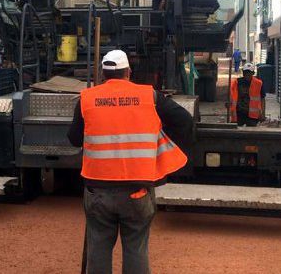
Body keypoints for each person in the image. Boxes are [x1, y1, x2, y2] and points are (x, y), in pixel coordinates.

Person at [68, 50, 193, 274]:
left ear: (103, 73)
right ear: (128, 72)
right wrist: (164, 152)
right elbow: (184, 120)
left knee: (98, 248)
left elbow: (74, 138)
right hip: (138, 191)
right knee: (136, 248)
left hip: (97, 191)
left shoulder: (87, 98)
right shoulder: (149, 96)